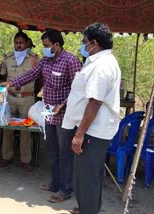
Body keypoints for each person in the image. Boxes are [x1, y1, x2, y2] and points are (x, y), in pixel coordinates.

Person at [0, 29, 82, 201]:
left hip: (65, 116)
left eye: (46, 45)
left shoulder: (71, 61)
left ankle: (65, 190)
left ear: (57, 45)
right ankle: (54, 183)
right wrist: (12, 82)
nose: (43, 49)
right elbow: (31, 74)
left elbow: (78, 89)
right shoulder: (45, 60)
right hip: (48, 113)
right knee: (52, 150)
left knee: (64, 153)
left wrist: (63, 104)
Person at [62, 23, 121, 214]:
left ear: (94, 43)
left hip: (92, 131)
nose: (82, 45)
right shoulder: (98, 61)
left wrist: (79, 134)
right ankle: (87, 208)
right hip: (92, 129)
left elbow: (94, 102)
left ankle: (88, 210)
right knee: (87, 175)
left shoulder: (102, 66)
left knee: (88, 177)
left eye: (84, 42)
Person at [0, 31, 39, 172]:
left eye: (21, 43)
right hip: (10, 97)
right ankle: (6, 156)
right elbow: (1, 75)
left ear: (27, 43)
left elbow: (39, 79)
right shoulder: (8, 58)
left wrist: (34, 93)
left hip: (27, 98)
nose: (18, 45)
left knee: (25, 130)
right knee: (7, 127)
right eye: (16, 42)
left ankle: (25, 159)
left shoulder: (34, 59)